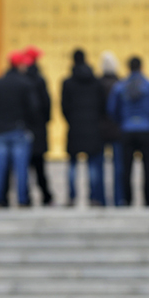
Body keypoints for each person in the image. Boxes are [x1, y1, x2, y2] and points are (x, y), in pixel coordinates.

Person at [107, 56, 149, 207]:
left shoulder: (120, 87)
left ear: (128, 67)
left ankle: (127, 199)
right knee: (148, 167)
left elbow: (112, 109)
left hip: (127, 129)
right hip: (146, 129)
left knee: (126, 168)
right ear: (141, 67)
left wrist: (122, 122)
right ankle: (148, 200)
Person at [0, 50, 38, 207]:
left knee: (0, 167)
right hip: (19, 129)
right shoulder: (25, 84)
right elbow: (33, 108)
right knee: (21, 168)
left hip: (2, 130)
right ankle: (23, 199)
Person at [61, 49, 107, 206]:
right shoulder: (96, 82)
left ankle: (72, 197)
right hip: (93, 128)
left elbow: (64, 107)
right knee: (93, 165)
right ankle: (94, 198)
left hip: (75, 128)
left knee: (73, 164)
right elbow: (103, 106)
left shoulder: (67, 83)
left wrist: (71, 121)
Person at [24, 45, 54, 206]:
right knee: (40, 166)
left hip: (23, 128)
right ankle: (46, 197)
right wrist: (45, 121)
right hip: (39, 129)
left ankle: (26, 197)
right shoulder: (40, 80)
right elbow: (47, 104)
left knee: (24, 167)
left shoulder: (22, 79)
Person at [98, 51, 123, 206]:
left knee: (99, 167)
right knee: (118, 168)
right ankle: (119, 199)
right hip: (117, 130)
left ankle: (100, 199)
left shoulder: (97, 84)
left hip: (100, 130)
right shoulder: (120, 84)